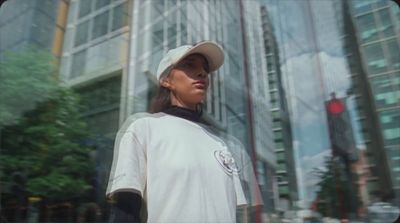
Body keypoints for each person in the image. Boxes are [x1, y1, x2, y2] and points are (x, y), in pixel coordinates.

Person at [106, 41, 262, 223]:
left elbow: (241, 214)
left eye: (205, 69)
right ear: (166, 80)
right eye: (189, 65)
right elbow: (125, 211)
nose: (202, 73)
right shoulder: (143, 129)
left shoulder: (225, 144)